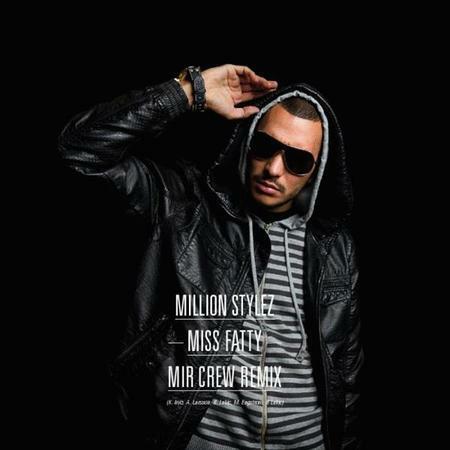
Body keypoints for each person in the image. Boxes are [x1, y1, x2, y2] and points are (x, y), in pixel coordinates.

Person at [59, 64, 363, 450]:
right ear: (247, 138)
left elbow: (346, 372)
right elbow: (80, 151)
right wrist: (188, 91)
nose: (274, 169)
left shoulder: (334, 246)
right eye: (265, 146)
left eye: (297, 161)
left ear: (316, 172)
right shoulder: (185, 205)